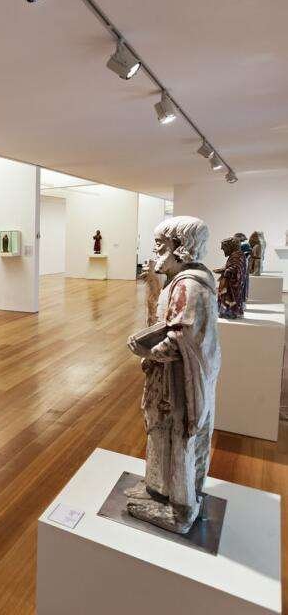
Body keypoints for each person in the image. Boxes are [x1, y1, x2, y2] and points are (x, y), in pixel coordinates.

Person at [127, 216, 220, 534]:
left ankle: (181, 508)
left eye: (159, 245)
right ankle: (158, 489)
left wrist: (147, 350)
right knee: (161, 432)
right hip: (168, 379)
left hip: (177, 383)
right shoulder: (183, 281)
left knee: (178, 436)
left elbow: (180, 338)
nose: (154, 252)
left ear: (180, 248)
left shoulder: (188, 286)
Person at [215, 236, 247, 319]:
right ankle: (226, 312)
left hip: (231, 286)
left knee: (229, 298)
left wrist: (225, 271)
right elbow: (231, 266)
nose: (223, 250)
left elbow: (236, 268)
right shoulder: (235, 255)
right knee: (226, 298)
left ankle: (230, 313)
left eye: (224, 248)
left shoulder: (237, 255)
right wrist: (223, 269)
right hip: (228, 284)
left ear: (230, 246)